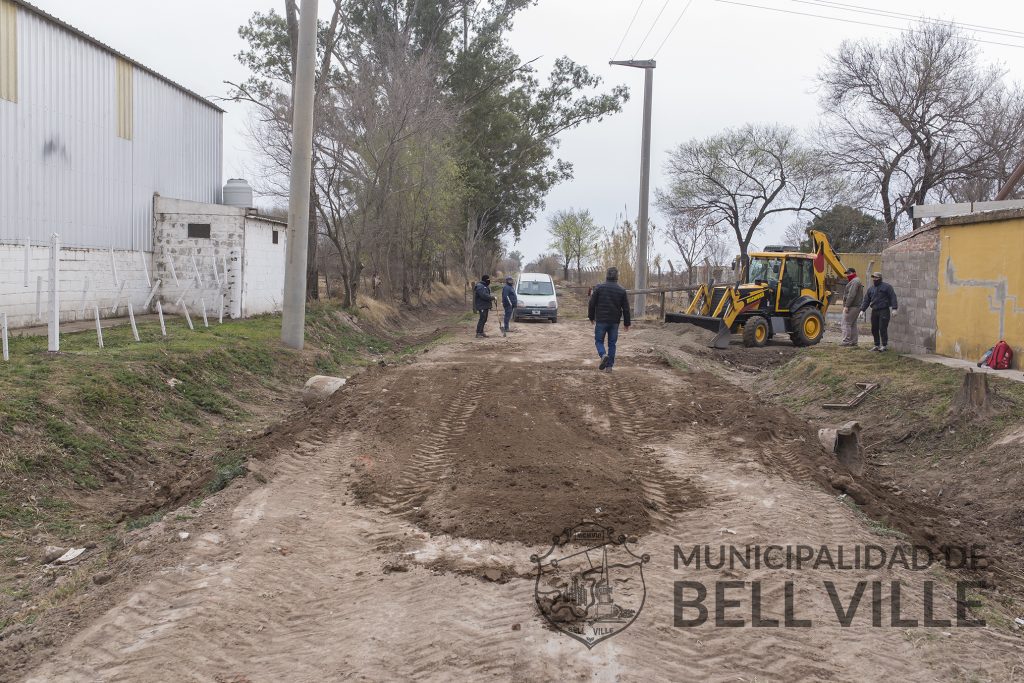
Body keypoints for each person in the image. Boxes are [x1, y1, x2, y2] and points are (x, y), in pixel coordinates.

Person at [588, 267, 631, 372]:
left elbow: (591, 303)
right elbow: (626, 308)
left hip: (601, 321)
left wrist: (591, 317)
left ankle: (603, 355)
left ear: (607, 275)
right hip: (614, 322)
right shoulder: (621, 290)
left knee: (599, 341)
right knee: (612, 344)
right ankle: (609, 367)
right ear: (617, 277)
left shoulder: (599, 288)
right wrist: (627, 323)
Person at [860, 271, 898, 352]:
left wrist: (894, 308)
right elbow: (866, 300)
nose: (874, 279)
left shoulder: (887, 287)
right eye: (873, 277)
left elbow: (893, 297)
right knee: (874, 328)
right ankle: (876, 345)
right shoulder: (871, 289)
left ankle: (884, 345)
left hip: (884, 310)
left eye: (876, 277)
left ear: (880, 278)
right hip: (874, 311)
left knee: (882, 328)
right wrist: (862, 310)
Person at [840, 267, 864, 347]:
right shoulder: (856, 280)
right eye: (847, 273)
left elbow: (851, 294)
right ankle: (853, 341)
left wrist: (847, 306)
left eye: (849, 273)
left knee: (846, 323)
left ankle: (846, 341)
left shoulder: (855, 281)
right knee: (852, 324)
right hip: (856, 306)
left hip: (852, 306)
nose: (847, 275)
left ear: (854, 273)